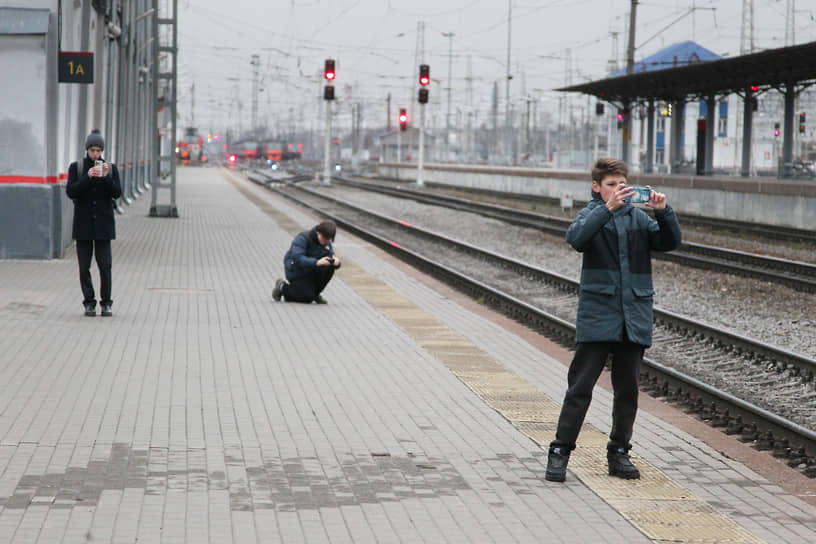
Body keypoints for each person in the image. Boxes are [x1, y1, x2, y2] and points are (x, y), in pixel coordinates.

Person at [545, 157, 682, 483]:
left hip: (633, 315)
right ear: (596, 187)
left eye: (622, 186)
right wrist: (606, 209)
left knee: (628, 390)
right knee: (580, 388)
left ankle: (619, 452)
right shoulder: (590, 215)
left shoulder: (639, 219)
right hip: (598, 315)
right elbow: (576, 238)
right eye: (611, 185)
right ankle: (560, 451)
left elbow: (669, 242)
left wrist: (664, 213)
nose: (618, 191)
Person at [66, 129, 122, 317]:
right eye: (93, 151)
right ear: (87, 150)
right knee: (84, 267)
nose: (96, 154)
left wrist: (105, 177)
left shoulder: (110, 168)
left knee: (105, 266)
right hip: (83, 226)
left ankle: (106, 302)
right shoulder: (77, 168)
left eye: (99, 151)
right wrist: (88, 177)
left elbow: (116, 193)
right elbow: (72, 191)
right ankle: (89, 302)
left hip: (104, 227)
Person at [272, 220, 341, 304]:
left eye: (328, 239)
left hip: (312, 271)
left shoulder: (326, 243)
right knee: (306, 298)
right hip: (296, 271)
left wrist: (336, 262)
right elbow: (297, 258)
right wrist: (316, 262)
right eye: (324, 238)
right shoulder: (303, 238)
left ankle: (315, 294)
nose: (325, 241)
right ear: (318, 232)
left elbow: (331, 255)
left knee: (330, 266)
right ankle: (282, 287)